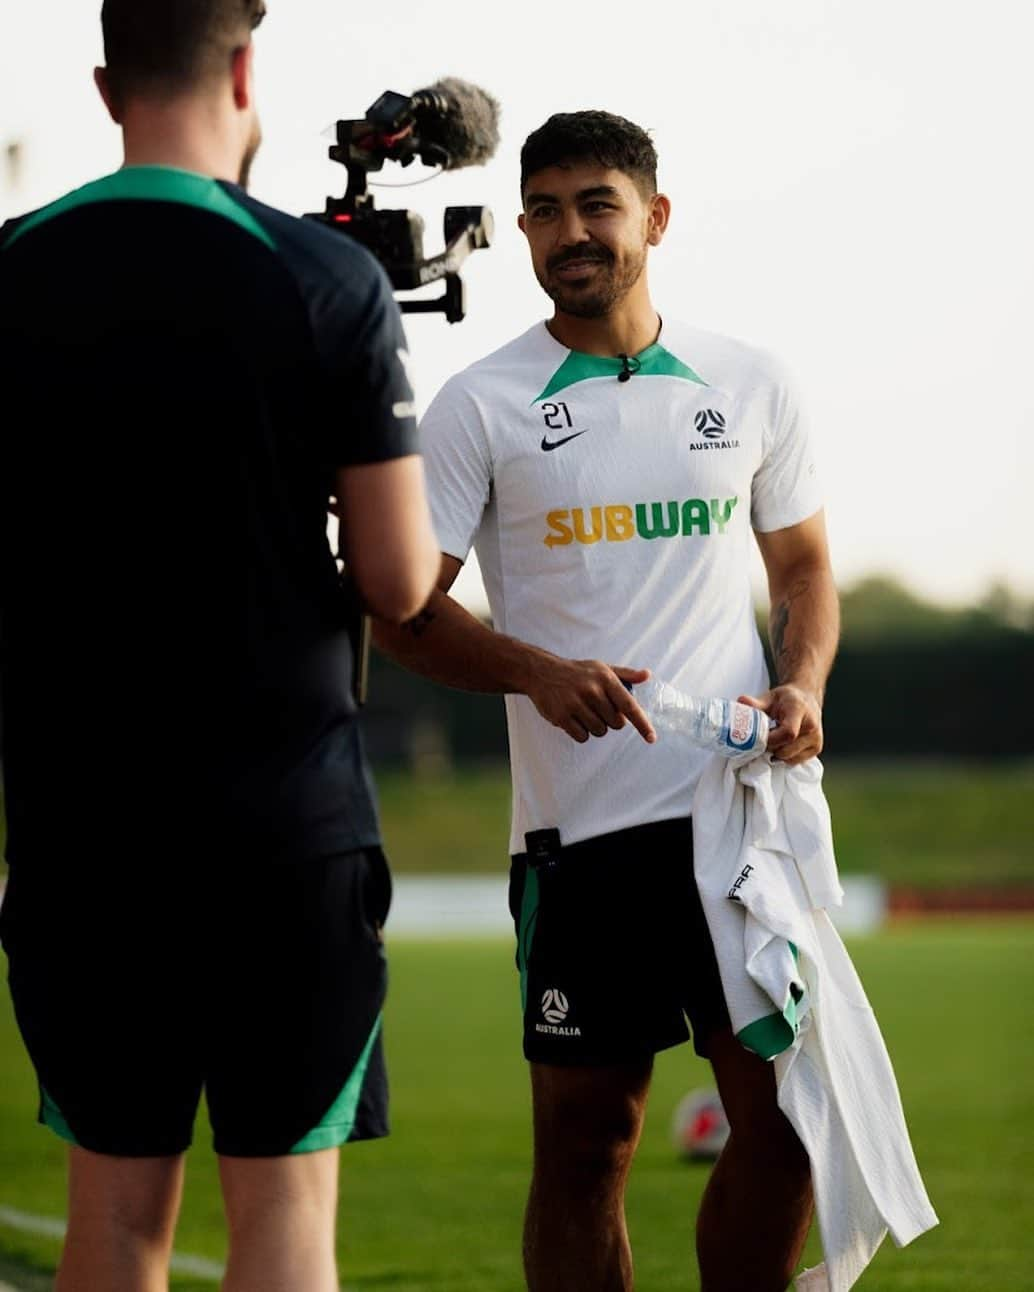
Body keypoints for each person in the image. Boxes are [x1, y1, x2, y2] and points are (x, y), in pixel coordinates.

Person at [0, 3, 439, 1289]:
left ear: (102, 84)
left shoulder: (11, 267)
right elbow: (400, 581)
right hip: (283, 828)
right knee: (285, 1220)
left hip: (78, 833)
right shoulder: (324, 278)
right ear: (245, 67)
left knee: (114, 1219)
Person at [375, 110, 840, 1291]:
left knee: (786, 1126)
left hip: (737, 824)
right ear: (522, 227)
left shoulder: (749, 380)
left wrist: (800, 681)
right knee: (589, 1146)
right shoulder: (479, 404)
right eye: (543, 208)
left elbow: (801, 572)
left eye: (595, 204)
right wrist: (536, 670)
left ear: (654, 218)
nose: (568, 231)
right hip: (578, 839)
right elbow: (402, 614)